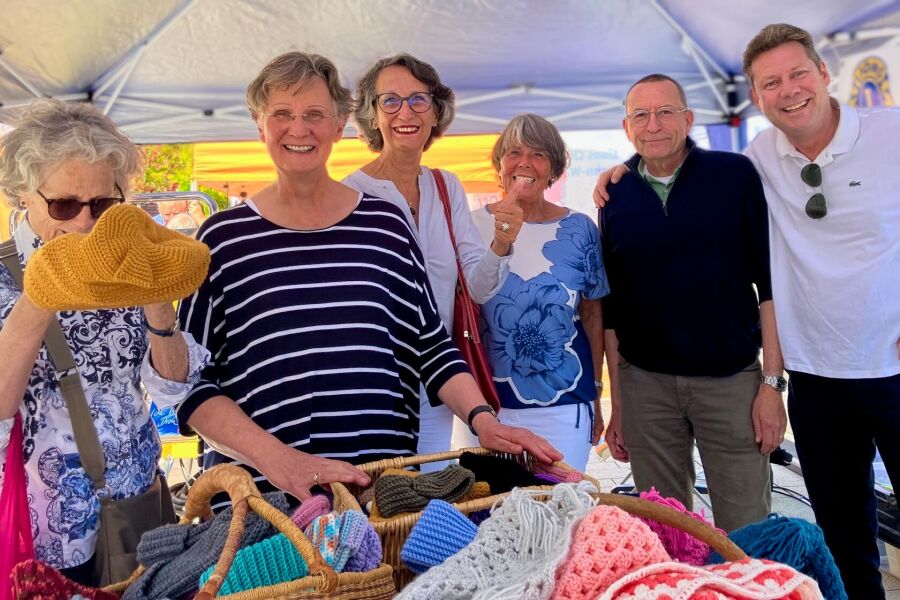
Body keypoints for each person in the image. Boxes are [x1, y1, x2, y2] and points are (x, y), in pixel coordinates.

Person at [175, 52, 561, 510]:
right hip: (263, 508)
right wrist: (280, 461)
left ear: (339, 126)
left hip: (379, 496)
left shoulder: (385, 225)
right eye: (282, 114)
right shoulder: (221, 240)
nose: (299, 129)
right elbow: (192, 384)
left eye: (315, 115)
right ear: (260, 125)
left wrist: (482, 419)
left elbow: (429, 346)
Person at [0, 101, 208, 583]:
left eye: (103, 205)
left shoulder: (121, 260)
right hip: (47, 534)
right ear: (21, 196)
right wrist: (42, 295)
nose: (84, 223)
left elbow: (174, 388)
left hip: (139, 511)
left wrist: (157, 297)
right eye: (65, 205)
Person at [741, 24, 900, 599]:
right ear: (757, 98)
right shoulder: (759, 157)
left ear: (825, 74)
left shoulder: (891, 131)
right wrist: (620, 174)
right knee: (844, 539)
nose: (789, 91)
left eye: (798, 74)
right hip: (818, 379)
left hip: (894, 368)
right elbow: (689, 176)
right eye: (771, 83)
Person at [598, 74, 785, 532]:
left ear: (689, 119)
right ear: (627, 128)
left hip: (731, 383)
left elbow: (771, 286)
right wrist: (619, 406)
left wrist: (773, 386)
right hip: (646, 388)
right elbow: (613, 312)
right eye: (641, 115)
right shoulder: (615, 195)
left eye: (665, 112)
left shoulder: (735, 175)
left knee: (747, 529)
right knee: (666, 533)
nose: (654, 124)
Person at [344, 53, 522, 465]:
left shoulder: (446, 186)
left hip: (439, 385)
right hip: (375, 389)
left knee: (430, 500)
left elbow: (477, 287)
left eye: (418, 100)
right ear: (372, 114)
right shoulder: (350, 194)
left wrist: (501, 242)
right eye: (390, 100)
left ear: (435, 111)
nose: (405, 112)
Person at [466, 113, 607, 473]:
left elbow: (593, 315)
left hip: (565, 404)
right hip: (486, 407)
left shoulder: (578, 228)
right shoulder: (469, 224)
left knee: (560, 513)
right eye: (514, 152)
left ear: (554, 169)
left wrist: (598, 395)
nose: (525, 163)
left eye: (539, 154)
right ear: (499, 164)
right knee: (487, 517)